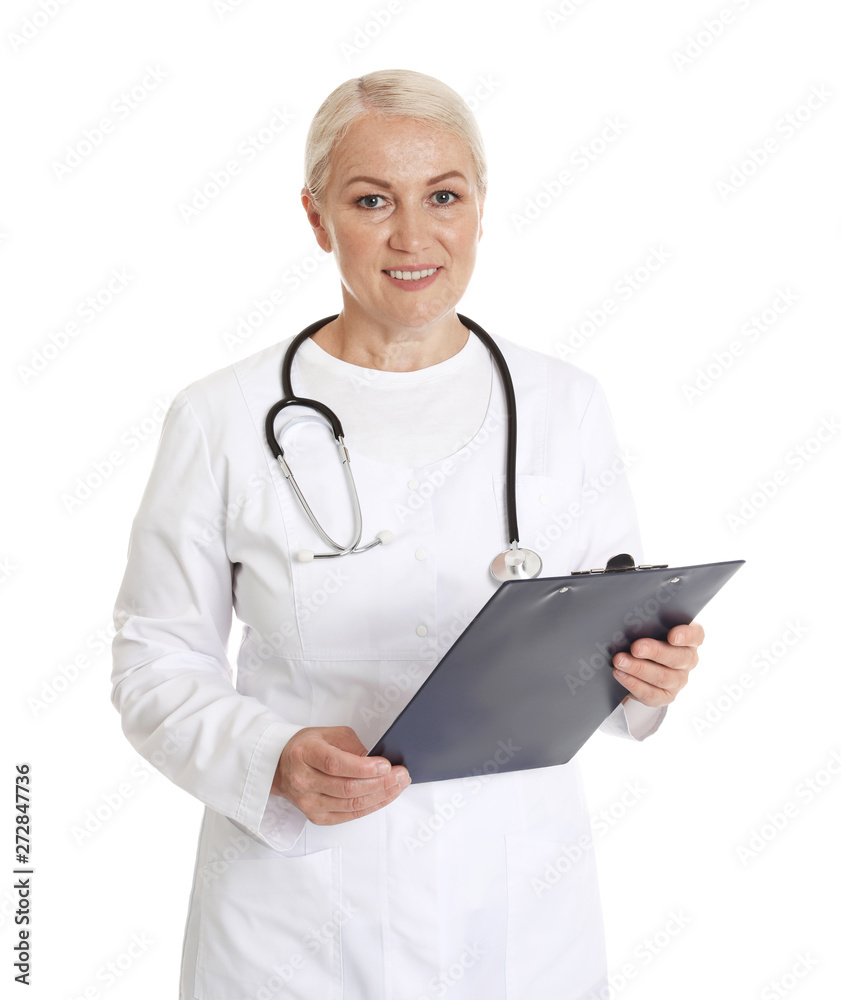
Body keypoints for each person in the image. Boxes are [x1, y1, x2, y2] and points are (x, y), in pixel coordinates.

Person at [110, 68, 704, 1000]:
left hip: (516, 909)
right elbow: (154, 662)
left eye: (443, 197)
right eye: (371, 200)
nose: (412, 236)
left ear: (478, 208)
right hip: (294, 915)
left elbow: (620, 641)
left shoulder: (564, 406)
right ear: (316, 219)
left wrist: (649, 678)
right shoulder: (220, 418)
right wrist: (268, 757)